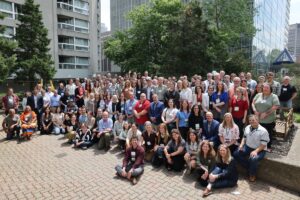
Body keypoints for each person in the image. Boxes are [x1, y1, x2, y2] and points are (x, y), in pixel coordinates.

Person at [234, 115, 269, 182]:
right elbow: (244, 138)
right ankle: (250, 168)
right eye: (250, 120)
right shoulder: (247, 127)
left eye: (253, 120)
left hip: (260, 149)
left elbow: (263, 145)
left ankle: (252, 174)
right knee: (236, 153)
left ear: (257, 120)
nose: (251, 122)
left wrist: (256, 151)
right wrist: (241, 145)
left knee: (253, 158)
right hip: (247, 147)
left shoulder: (263, 131)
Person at [252, 83, 279, 150]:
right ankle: (258, 146)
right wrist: (255, 111)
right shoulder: (258, 95)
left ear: (270, 89)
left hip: (268, 120)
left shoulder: (274, 96)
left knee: (268, 133)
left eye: (267, 88)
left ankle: (268, 146)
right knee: (258, 132)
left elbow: (276, 106)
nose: (265, 89)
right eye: (264, 87)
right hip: (257, 119)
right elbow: (252, 103)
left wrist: (266, 113)